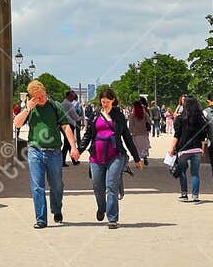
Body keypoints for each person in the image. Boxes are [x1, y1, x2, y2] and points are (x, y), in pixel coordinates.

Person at [14, 80, 81, 228]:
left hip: (54, 152)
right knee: (37, 186)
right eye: (38, 97)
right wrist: (27, 108)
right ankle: (41, 219)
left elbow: (66, 126)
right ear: (32, 97)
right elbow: (17, 123)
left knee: (57, 185)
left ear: (45, 91)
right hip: (35, 151)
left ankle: (56, 209)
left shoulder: (55, 106)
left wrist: (74, 147)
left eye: (43, 95)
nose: (41, 98)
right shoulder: (30, 108)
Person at [79, 86, 142, 227]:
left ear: (113, 100)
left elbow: (127, 137)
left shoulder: (118, 116)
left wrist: (136, 158)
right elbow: (88, 136)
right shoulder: (95, 116)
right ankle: (102, 207)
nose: (105, 104)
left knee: (111, 186)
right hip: (96, 156)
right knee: (97, 186)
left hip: (115, 155)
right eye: (102, 101)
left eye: (107, 101)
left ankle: (112, 218)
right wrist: (78, 150)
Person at [169, 94, 209, 203]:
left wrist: (172, 148)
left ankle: (184, 194)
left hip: (183, 148)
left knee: (182, 171)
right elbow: (203, 137)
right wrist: (203, 149)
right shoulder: (201, 119)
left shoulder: (181, 118)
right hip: (196, 149)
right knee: (195, 173)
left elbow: (177, 135)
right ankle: (195, 196)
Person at [128, 99, 152, 167]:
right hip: (144, 132)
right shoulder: (144, 114)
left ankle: (138, 161)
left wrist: (129, 132)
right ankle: (145, 157)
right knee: (144, 146)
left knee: (137, 148)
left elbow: (130, 125)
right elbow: (150, 122)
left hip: (136, 134)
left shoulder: (132, 115)